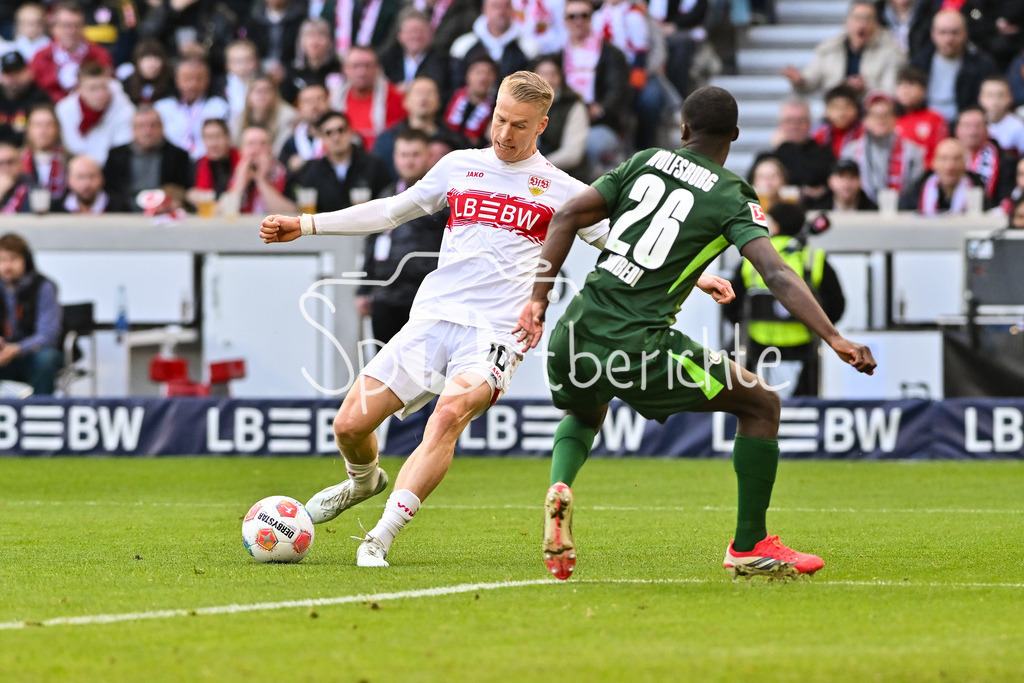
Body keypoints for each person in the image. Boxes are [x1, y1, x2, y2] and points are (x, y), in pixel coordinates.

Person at [512, 85, 876, 581]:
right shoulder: (732, 195)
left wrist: (537, 299)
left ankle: (560, 486)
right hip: (639, 344)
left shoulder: (644, 160)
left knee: (585, 408)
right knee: (761, 403)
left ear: (683, 130)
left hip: (575, 330)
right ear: (735, 136)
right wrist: (834, 336)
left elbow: (568, 215)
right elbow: (777, 273)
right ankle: (749, 545)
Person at [258, 71, 615, 568]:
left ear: (542, 126)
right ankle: (364, 480)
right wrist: (307, 224)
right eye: (499, 119)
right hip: (432, 319)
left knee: (447, 416)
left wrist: (696, 278)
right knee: (349, 425)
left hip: (495, 334)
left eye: (518, 126)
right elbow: (390, 212)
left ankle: (379, 536)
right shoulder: (459, 166)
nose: (504, 134)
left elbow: (622, 244)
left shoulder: (563, 190)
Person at [723, 201, 846, 397]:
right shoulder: (815, 259)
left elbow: (729, 305)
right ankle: (806, 406)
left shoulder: (750, 259)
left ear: (775, 226)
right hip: (803, 346)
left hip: (758, 345)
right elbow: (837, 307)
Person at [356, 128, 447, 344]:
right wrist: (364, 289)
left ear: (428, 156)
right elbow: (372, 243)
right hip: (386, 297)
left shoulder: (443, 198)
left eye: (415, 155)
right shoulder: (386, 195)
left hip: (425, 298)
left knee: (426, 370)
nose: (409, 161)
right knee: (384, 369)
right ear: (395, 158)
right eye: (404, 155)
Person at [781, 0, 904, 97]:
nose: (862, 24)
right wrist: (799, 81)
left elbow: (890, 93)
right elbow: (809, 84)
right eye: (857, 18)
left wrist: (865, 89)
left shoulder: (891, 51)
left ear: (876, 24)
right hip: (836, 115)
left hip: (871, 118)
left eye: (868, 19)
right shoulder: (830, 49)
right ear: (847, 22)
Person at [289, 110, 392, 213]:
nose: (336, 137)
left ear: (351, 132)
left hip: (367, 227)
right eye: (329, 133)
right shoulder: (311, 170)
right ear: (322, 138)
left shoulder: (374, 165)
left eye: (341, 130)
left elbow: (388, 203)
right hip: (326, 228)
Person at [909, 9, 999, 124]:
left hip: (964, 126)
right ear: (933, 34)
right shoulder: (919, 63)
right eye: (943, 32)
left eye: (954, 32)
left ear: (965, 33)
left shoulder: (981, 65)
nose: (949, 39)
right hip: (924, 124)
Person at [0, 232, 63, 396]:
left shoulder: (43, 286)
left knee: (46, 359)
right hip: (2, 354)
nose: (7, 266)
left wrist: (16, 349)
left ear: (25, 260)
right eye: (2, 260)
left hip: (31, 354)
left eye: (12, 259)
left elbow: (48, 335)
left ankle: (41, 410)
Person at [840, 91, 925, 203]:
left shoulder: (913, 151)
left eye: (886, 114)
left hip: (901, 210)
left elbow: (915, 189)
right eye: (875, 115)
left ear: (895, 118)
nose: (881, 119)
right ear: (865, 120)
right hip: (862, 210)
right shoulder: (850, 151)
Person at [103, 106, 192, 212]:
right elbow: (110, 190)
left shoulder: (178, 156)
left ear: (162, 127)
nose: (147, 131)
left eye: (153, 125)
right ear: (133, 129)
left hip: (163, 214)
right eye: (141, 126)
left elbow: (183, 189)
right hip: (125, 213)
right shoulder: (116, 156)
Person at [54, 61, 135, 167]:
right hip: (79, 166)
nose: (100, 94)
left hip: (113, 167)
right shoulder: (64, 110)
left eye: (104, 87)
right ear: (80, 89)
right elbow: (72, 146)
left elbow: (122, 146)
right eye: (93, 89)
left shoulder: (125, 108)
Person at [29, 2, 113, 103]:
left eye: (77, 25)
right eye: (66, 25)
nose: (71, 31)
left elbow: (108, 87)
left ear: (84, 27)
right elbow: (34, 93)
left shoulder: (100, 55)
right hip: (50, 109)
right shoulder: (41, 57)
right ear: (54, 28)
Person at [328, 45, 406, 152]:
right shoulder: (333, 99)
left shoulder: (395, 97)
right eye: (355, 66)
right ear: (345, 69)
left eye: (367, 66)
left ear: (377, 68)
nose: (362, 73)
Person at [153, 58, 230, 161]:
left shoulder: (218, 106)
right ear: (177, 80)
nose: (193, 84)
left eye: (199, 79)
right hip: (171, 163)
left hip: (207, 162)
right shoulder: (163, 107)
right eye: (187, 79)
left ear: (207, 79)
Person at [533, 55, 589, 182]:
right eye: (542, 74)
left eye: (553, 74)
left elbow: (572, 154)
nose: (548, 79)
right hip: (528, 169)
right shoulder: (523, 102)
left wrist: (538, 167)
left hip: (564, 174)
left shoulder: (574, 105)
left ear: (561, 77)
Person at [768, 99, 834, 205]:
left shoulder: (823, 153)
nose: (795, 126)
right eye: (789, 121)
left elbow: (810, 176)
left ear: (809, 124)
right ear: (780, 124)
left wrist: (784, 147)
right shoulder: (769, 156)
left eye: (800, 121)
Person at [902, 136, 987, 214]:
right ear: (934, 163)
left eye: (956, 159)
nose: (950, 166)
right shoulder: (917, 190)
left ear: (965, 164)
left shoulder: (978, 189)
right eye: (944, 159)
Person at [224, 125, 296, 215]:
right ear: (241, 150)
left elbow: (293, 213)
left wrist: (261, 180)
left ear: (271, 149)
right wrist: (240, 185)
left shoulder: (285, 174)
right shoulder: (231, 171)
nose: (257, 149)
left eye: (263, 144)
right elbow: (218, 213)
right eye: (251, 144)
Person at [893, 65, 948, 167]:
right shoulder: (890, 119)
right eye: (901, 84)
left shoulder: (935, 119)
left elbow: (941, 153)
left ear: (924, 91)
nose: (905, 90)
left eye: (911, 84)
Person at [229, 74, 296, 157]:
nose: (262, 95)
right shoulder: (239, 118)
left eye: (266, 91)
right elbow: (234, 146)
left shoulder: (288, 116)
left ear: (275, 94)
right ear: (248, 95)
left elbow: (280, 150)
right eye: (257, 91)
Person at [0, 51, 51, 147]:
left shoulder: (40, 98)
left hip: (28, 152)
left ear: (28, 72)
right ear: (2, 76)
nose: (13, 78)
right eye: (8, 73)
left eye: (18, 72)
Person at [278, 83, 330, 174]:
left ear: (328, 103)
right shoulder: (291, 143)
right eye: (308, 101)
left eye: (319, 99)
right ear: (299, 107)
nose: (314, 106)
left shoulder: (341, 134)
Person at [20, 104, 67, 201]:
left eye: (49, 125)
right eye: (38, 125)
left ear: (57, 129)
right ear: (28, 129)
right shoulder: (15, 161)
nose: (43, 131)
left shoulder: (70, 161)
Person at [188, 117, 239, 204]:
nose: (213, 143)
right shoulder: (196, 166)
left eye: (218, 136)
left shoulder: (240, 162)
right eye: (209, 137)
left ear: (228, 138)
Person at [57, 153, 129, 213]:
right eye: (80, 177)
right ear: (69, 180)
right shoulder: (57, 208)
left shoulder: (119, 208)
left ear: (101, 178)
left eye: (92, 176)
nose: (87, 183)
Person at [812, 84, 864, 161]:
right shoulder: (819, 137)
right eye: (836, 107)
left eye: (847, 107)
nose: (841, 113)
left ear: (856, 109)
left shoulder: (863, 134)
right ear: (827, 111)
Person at [805, 158, 879, 211]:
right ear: (831, 181)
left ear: (860, 182)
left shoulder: (872, 211)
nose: (846, 183)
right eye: (841, 177)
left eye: (852, 177)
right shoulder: (817, 210)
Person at [979, 76, 1024, 158]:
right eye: (989, 95)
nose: (995, 101)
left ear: (1010, 98)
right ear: (980, 98)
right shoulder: (974, 125)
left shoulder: (1019, 127)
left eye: (1001, 95)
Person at [0, 141, 33, 213]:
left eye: (10, 162)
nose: (5, 168)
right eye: (0, 163)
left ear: (20, 164)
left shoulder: (31, 186)